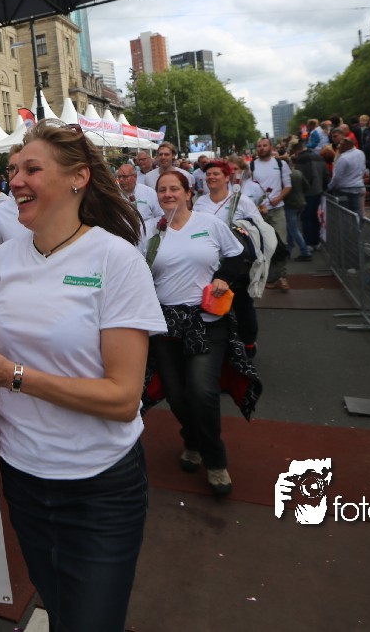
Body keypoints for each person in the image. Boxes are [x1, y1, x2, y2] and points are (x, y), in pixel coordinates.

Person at [0, 122, 167, 631]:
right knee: (59, 608)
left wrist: (14, 376)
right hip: (24, 478)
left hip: (100, 486)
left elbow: (123, 398)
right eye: (13, 170)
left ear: (78, 178)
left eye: (31, 169)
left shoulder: (116, 260)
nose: (15, 180)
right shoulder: (4, 259)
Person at [142, 170, 246, 496]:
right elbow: (133, 270)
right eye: (162, 189)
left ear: (189, 193)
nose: (168, 194)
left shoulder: (209, 224)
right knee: (176, 395)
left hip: (206, 321)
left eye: (175, 188)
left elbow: (238, 255)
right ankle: (193, 440)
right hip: (165, 324)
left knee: (202, 391)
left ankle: (215, 461)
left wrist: (224, 277)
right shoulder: (149, 231)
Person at [194, 160, 264, 357]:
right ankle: (222, 347)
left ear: (227, 178)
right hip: (211, 264)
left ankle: (248, 343)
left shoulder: (241, 201)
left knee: (242, 304)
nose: (211, 177)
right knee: (214, 303)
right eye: (208, 174)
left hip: (238, 263)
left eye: (216, 174)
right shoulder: (200, 203)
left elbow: (258, 228)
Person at [249, 138, 292, 291]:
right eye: (259, 146)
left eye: (264, 145)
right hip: (259, 212)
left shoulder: (281, 164)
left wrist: (278, 198)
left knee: (281, 243)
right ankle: (269, 277)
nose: (261, 148)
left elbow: (288, 186)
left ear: (271, 147)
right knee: (264, 245)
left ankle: (282, 277)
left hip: (277, 209)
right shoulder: (251, 165)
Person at [293, 140, 328, 249]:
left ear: (297, 151)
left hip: (306, 194)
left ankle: (308, 243)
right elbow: (326, 175)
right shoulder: (319, 157)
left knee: (306, 218)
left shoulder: (301, 159)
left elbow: (299, 178)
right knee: (315, 217)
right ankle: (316, 242)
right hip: (318, 191)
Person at [115, 162, 163, 233]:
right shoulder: (115, 195)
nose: (121, 180)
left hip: (148, 233)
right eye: (119, 177)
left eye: (124, 176)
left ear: (135, 177)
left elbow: (160, 216)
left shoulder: (149, 192)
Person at [330, 135, 368, 221]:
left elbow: (337, 176)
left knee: (344, 213)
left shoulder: (343, 158)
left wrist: (331, 186)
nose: (339, 146)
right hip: (358, 187)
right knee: (357, 211)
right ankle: (358, 227)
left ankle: (347, 228)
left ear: (347, 146)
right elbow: (363, 169)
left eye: (341, 144)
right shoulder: (360, 153)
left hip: (344, 189)